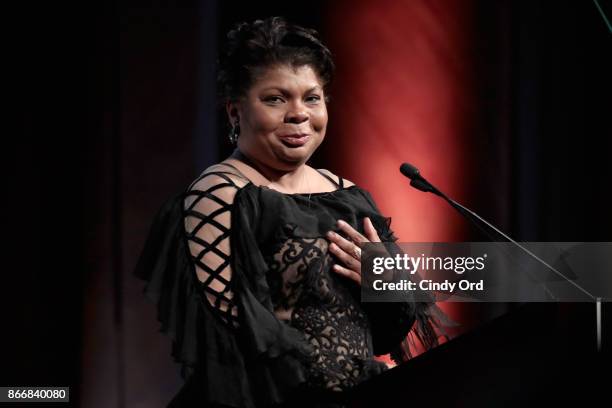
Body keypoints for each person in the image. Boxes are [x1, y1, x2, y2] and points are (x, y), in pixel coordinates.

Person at [135, 16, 444, 408]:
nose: (298, 114)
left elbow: (392, 329)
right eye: (275, 99)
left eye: (311, 98)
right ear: (235, 113)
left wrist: (382, 279)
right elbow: (238, 335)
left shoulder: (350, 197)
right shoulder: (219, 194)